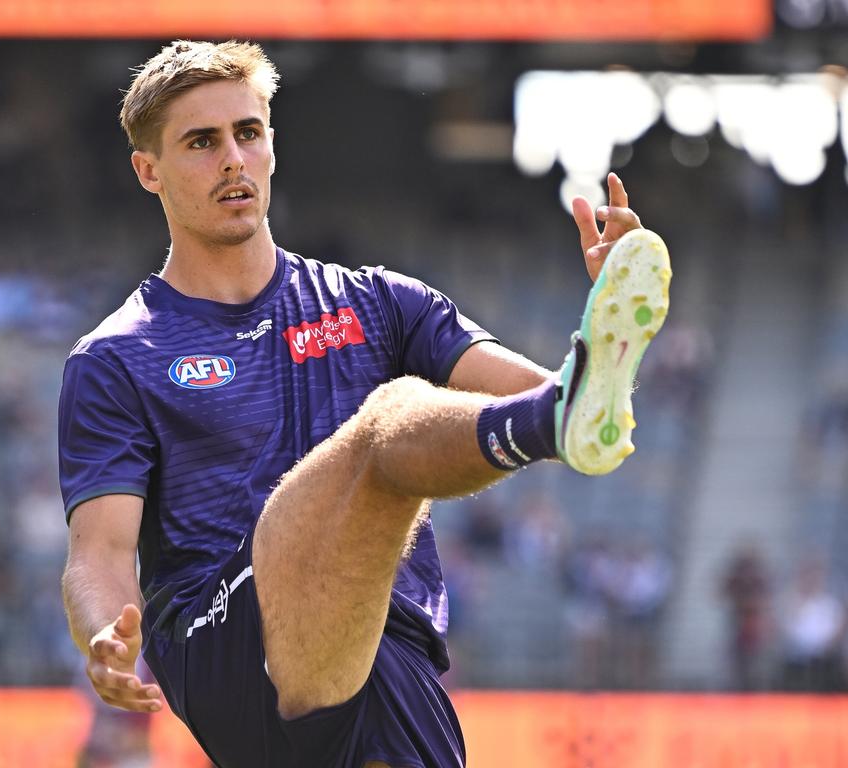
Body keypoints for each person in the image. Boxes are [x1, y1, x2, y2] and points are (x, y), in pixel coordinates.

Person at [59, 40, 671, 767]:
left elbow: (543, 394)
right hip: (227, 647)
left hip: (386, 645)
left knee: (461, 427)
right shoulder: (116, 357)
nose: (233, 159)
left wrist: (601, 349)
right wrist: (105, 632)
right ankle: (551, 424)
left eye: (247, 133)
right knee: (384, 429)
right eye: (201, 142)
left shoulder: (380, 302)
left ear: (272, 146)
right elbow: (96, 553)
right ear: (148, 170)